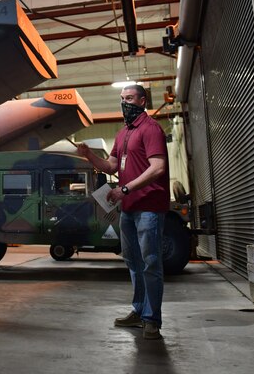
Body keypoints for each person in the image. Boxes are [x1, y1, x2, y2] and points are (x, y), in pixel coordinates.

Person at [77, 84, 169, 340]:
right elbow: (111, 165)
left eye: (129, 98)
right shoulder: (123, 133)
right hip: (128, 209)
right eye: (122, 98)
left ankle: (152, 319)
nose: (124, 103)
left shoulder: (151, 129)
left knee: (151, 262)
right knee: (133, 262)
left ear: (142, 101)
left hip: (148, 207)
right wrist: (89, 156)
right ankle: (139, 311)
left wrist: (125, 189)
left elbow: (158, 167)